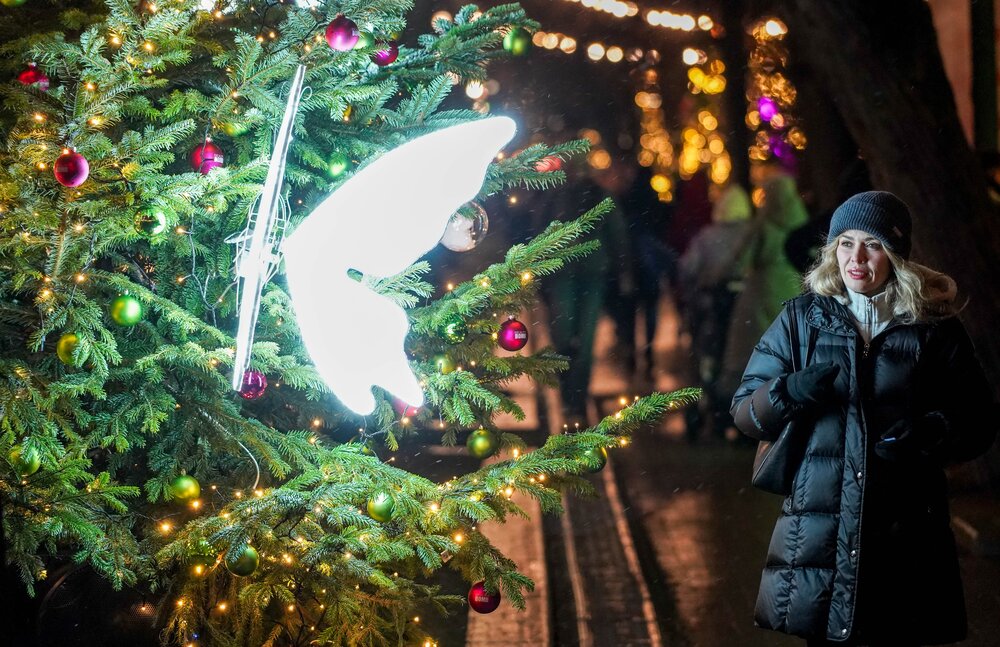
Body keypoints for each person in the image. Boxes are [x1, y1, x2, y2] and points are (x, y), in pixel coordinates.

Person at [730, 191, 998, 646]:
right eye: (846, 242)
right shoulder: (801, 320)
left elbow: (979, 421)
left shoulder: (933, 328)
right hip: (820, 541)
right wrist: (787, 392)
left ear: (895, 254)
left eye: (872, 244)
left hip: (907, 537)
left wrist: (933, 431)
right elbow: (745, 413)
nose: (856, 258)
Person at [716, 171, 809, 437]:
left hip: (761, 291)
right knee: (789, 350)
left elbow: (740, 261)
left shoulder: (762, 226)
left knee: (754, 350)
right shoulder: (801, 222)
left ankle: (754, 412)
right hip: (791, 288)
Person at [676, 184, 753, 439]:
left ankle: (713, 408)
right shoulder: (751, 233)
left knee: (709, 356)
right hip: (742, 307)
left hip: (711, 306)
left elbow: (687, 267)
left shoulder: (706, 237)